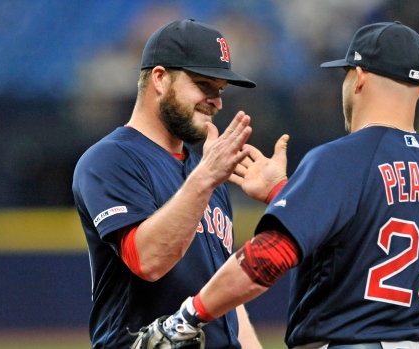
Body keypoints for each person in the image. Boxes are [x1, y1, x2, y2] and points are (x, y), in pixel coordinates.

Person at [135, 21, 419, 349]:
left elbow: (267, 258)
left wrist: (186, 318)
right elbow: (361, 236)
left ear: (358, 78)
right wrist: (283, 194)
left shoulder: (343, 159)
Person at [72, 18, 277, 349]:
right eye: (203, 84)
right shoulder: (110, 160)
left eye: (220, 89)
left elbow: (223, 293)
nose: (217, 101)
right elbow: (148, 261)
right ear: (160, 78)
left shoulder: (206, 172)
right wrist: (207, 178)